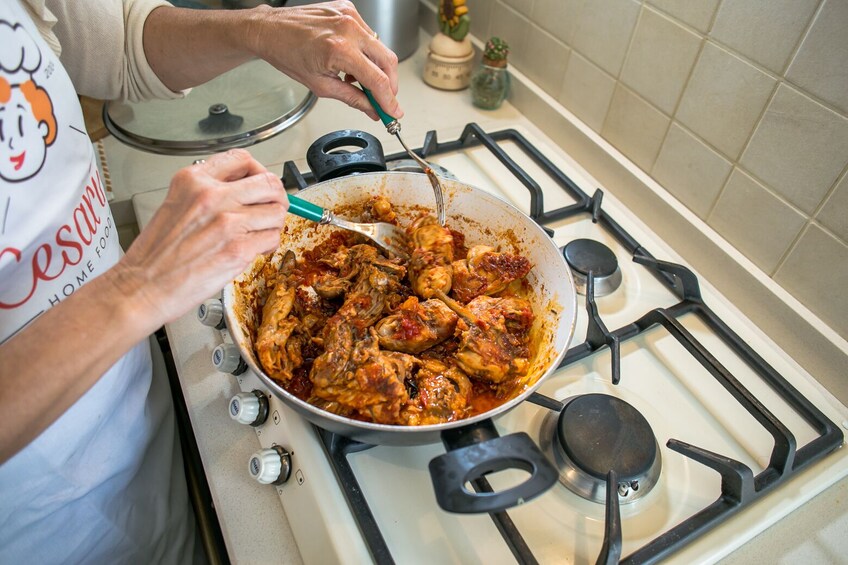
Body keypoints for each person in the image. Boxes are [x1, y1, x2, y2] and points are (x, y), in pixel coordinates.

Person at [0, 0, 402, 562]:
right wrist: (138, 286)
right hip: (35, 521)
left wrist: (259, 28)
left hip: (133, 412)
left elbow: (113, 45)